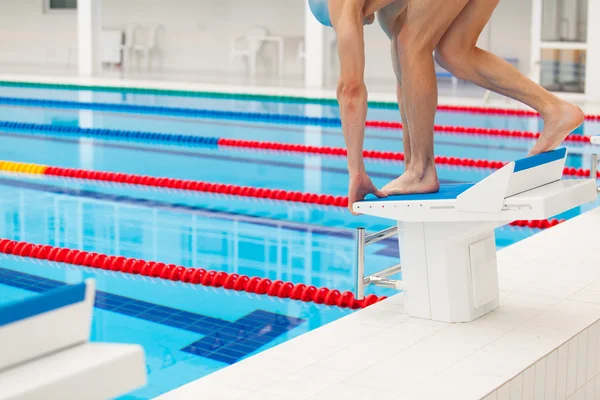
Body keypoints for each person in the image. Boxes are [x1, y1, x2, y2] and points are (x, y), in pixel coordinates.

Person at [308, 0, 585, 213]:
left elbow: (351, 90)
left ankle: (422, 169)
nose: (363, 22)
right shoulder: (388, 10)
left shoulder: (341, 5)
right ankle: (556, 110)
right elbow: (406, 76)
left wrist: (356, 171)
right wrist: (409, 164)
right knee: (454, 53)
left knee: (411, 42)